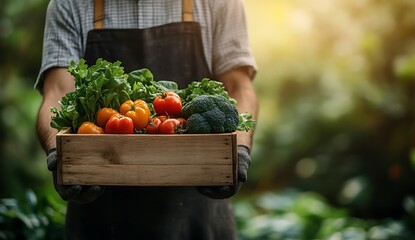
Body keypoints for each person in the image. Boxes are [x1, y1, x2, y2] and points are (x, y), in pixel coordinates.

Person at [35, 0, 258, 239]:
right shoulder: (70, 4)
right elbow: (58, 92)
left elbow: (239, 87)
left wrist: (239, 149)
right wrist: (58, 152)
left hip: (198, 215)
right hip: (99, 216)